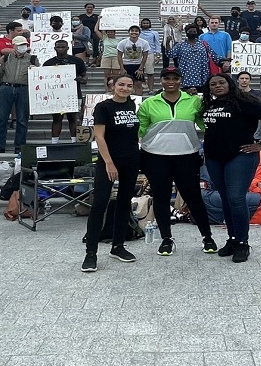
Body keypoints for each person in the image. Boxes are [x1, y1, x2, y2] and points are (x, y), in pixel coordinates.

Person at [136, 67, 218, 256]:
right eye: (166, 78)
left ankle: (207, 237)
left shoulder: (194, 101)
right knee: (161, 198)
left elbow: (207, 123)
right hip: (155, 156)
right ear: (161, 81)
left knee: (194, 198)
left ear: (181, 80)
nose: (170, 81)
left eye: (175, 78)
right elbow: (139, 130)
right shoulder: (149, 103)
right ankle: (166, 239)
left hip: (187, 155)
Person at [201, 74, 261, 263]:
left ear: (230, 83)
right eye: (213, 84)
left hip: (240, 155)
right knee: (225, 198)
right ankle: (232, 239)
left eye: (221, 82)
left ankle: (243, 242)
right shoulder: (209, 104)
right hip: (214, 157)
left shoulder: (244, 100)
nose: (217, 86)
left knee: (236, 198)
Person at [82, 74, 143, 273]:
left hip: (131, 160)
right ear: (113, 86)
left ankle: (118, 246)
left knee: (124, 202)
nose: (125, 88)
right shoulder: (104, 107)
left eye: (129, 85)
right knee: (99, 204)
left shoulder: (132, 106)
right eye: (121, 85)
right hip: (109, 161)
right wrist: (109, 162)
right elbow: (98, 136)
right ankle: (91, 253)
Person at [0, 36, 37, 154]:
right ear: (14, 46)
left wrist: (35, 70)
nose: (23, 47)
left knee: (22, 119)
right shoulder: (6, 57)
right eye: (20, 45)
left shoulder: (32, 58)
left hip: (24, 89)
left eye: (24, 45)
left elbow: (38, 77)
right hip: (6, 88)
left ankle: (20, 146)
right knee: (1, 118)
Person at [43, 40, 87, 143]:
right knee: (57, 118)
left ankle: (74, 141)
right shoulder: (48, 63)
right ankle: (54, 142)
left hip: (74, 93)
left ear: (68, 48)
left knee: (73, 118)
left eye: (63, 47)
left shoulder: (77, 61)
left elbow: (84, 75)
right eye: (59, 47)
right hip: (56, 95)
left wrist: (82, 80)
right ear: (55, 48)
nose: (61, 49)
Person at [169, 26, 217, 93]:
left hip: (202, 75)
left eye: (194, 32)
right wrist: (167, 43)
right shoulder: (180, 45)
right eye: (190, 32)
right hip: (185, 76)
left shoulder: (203, 44)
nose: (192, 33)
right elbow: (170, 54)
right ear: (186, 33)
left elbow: (214, 55)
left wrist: (224, 61)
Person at [117, 26, 151, 95]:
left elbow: (145, 56)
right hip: (126, 65)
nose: (134, 32)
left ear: (139, 33)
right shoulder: (122, 43)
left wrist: (141, 69)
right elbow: (119, 56)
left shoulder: (144, 43)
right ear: (129, 32)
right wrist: (122, 68)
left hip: (138, 65)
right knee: (127, 84)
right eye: (132, 30)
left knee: (138, 84)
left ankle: (138, 99)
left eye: (136, 31)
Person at [95, 17, 121, 92]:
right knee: (107, 75)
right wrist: (99, 20)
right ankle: (107, 90)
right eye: (108, 32)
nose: (110, 33)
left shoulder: (119, 40)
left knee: (116, 75)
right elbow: (96, 30)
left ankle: (115, 89)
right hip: (106, 57)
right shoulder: (104, 38)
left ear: (114, 32)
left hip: (116, 57)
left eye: (111, 32)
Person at [138, 18, 162, 91]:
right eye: (144, 23)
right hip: (139, 54)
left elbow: (157, 44)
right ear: (141, 24)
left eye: (147, 23)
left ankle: (151, 89)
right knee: (139, 72)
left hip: (150, 53)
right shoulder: (138, 33)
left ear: (150, 24)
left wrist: (158, 55)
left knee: (150, 73)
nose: (145, 24)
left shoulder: (154, 33)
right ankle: (139, 89)